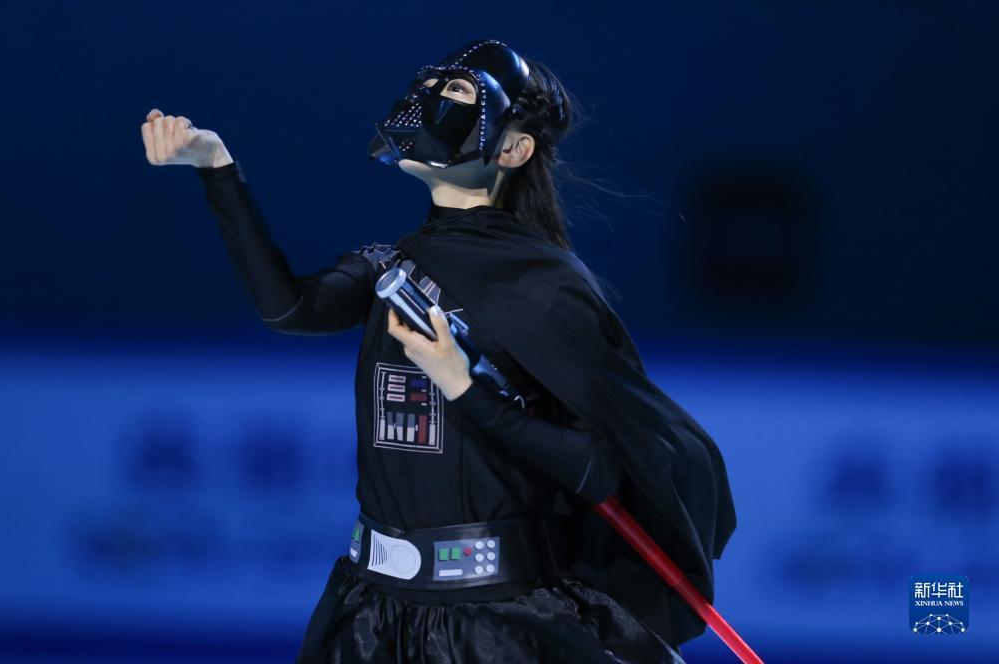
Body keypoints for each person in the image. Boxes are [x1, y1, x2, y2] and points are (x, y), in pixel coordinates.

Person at [141, 39, 734, 663]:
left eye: (455, 93)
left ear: (513, 149)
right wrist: (216, 166)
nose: (427, 101)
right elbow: (289, 309)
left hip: (495, 625)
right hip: (371, 615)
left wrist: (466, 390)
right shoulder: (393, 266)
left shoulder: (543, 286)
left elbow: (599, 469)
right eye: (429, 87)